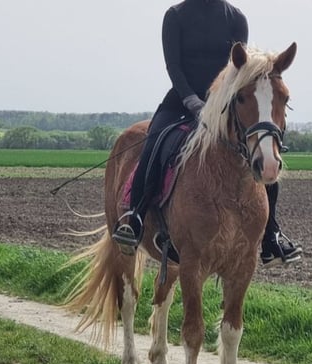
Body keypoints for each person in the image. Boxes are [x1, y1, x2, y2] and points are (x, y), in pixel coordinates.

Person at [112, 0, 302, 267]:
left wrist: (217, 105)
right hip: (181, 99)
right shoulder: (175, 16)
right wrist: (191, 101)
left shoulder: (236, 18)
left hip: (225, 104)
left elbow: (239, 70)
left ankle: (271, 235)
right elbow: (174, 68)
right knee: (155, 141)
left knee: (260, 153)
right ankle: (135, 218)